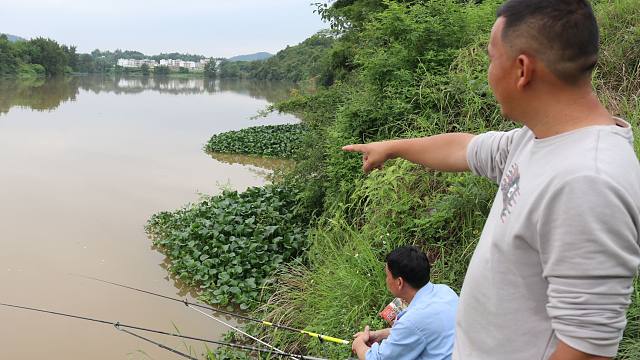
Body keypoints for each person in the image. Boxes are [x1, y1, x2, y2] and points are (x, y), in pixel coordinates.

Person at [343, 1, 640, 359]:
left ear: (522, 69)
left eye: (490, 57)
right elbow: (464, 148)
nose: (488, 70)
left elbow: (586, 351)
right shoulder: (537, 138)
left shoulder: (588, 181)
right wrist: (391, 147)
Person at [352, 246, 458, 360]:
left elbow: (378, 358)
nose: (386, 280)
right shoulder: (445, 291)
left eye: (387, 276)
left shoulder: (413, 320)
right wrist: (380, 334)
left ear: (399, 282)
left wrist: (359, 344)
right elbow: (420, 331)